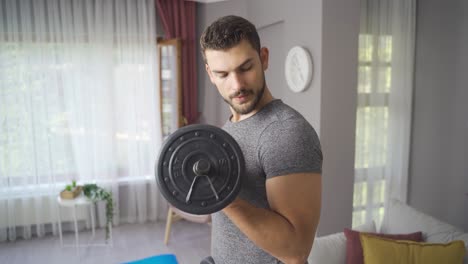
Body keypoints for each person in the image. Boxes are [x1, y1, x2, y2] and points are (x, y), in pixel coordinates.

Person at [199, 15, 323, 264]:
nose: (237, 85)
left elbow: (296, 250)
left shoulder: (285, 133)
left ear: (264, 58)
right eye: (223, 74)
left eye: (245, 68)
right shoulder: (231, 126)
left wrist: (222, 195)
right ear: (210, 74)